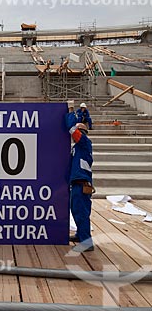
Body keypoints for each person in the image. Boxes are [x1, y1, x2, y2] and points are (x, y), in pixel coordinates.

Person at [66, 101, 94, 252]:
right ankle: (81, 235)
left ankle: (86, 242)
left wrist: (70, 111)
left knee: (81, 211)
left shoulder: (84, 142)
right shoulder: (78, 147)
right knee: (77, 210)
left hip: (81, 183)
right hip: (78, 182)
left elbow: (71, 128)